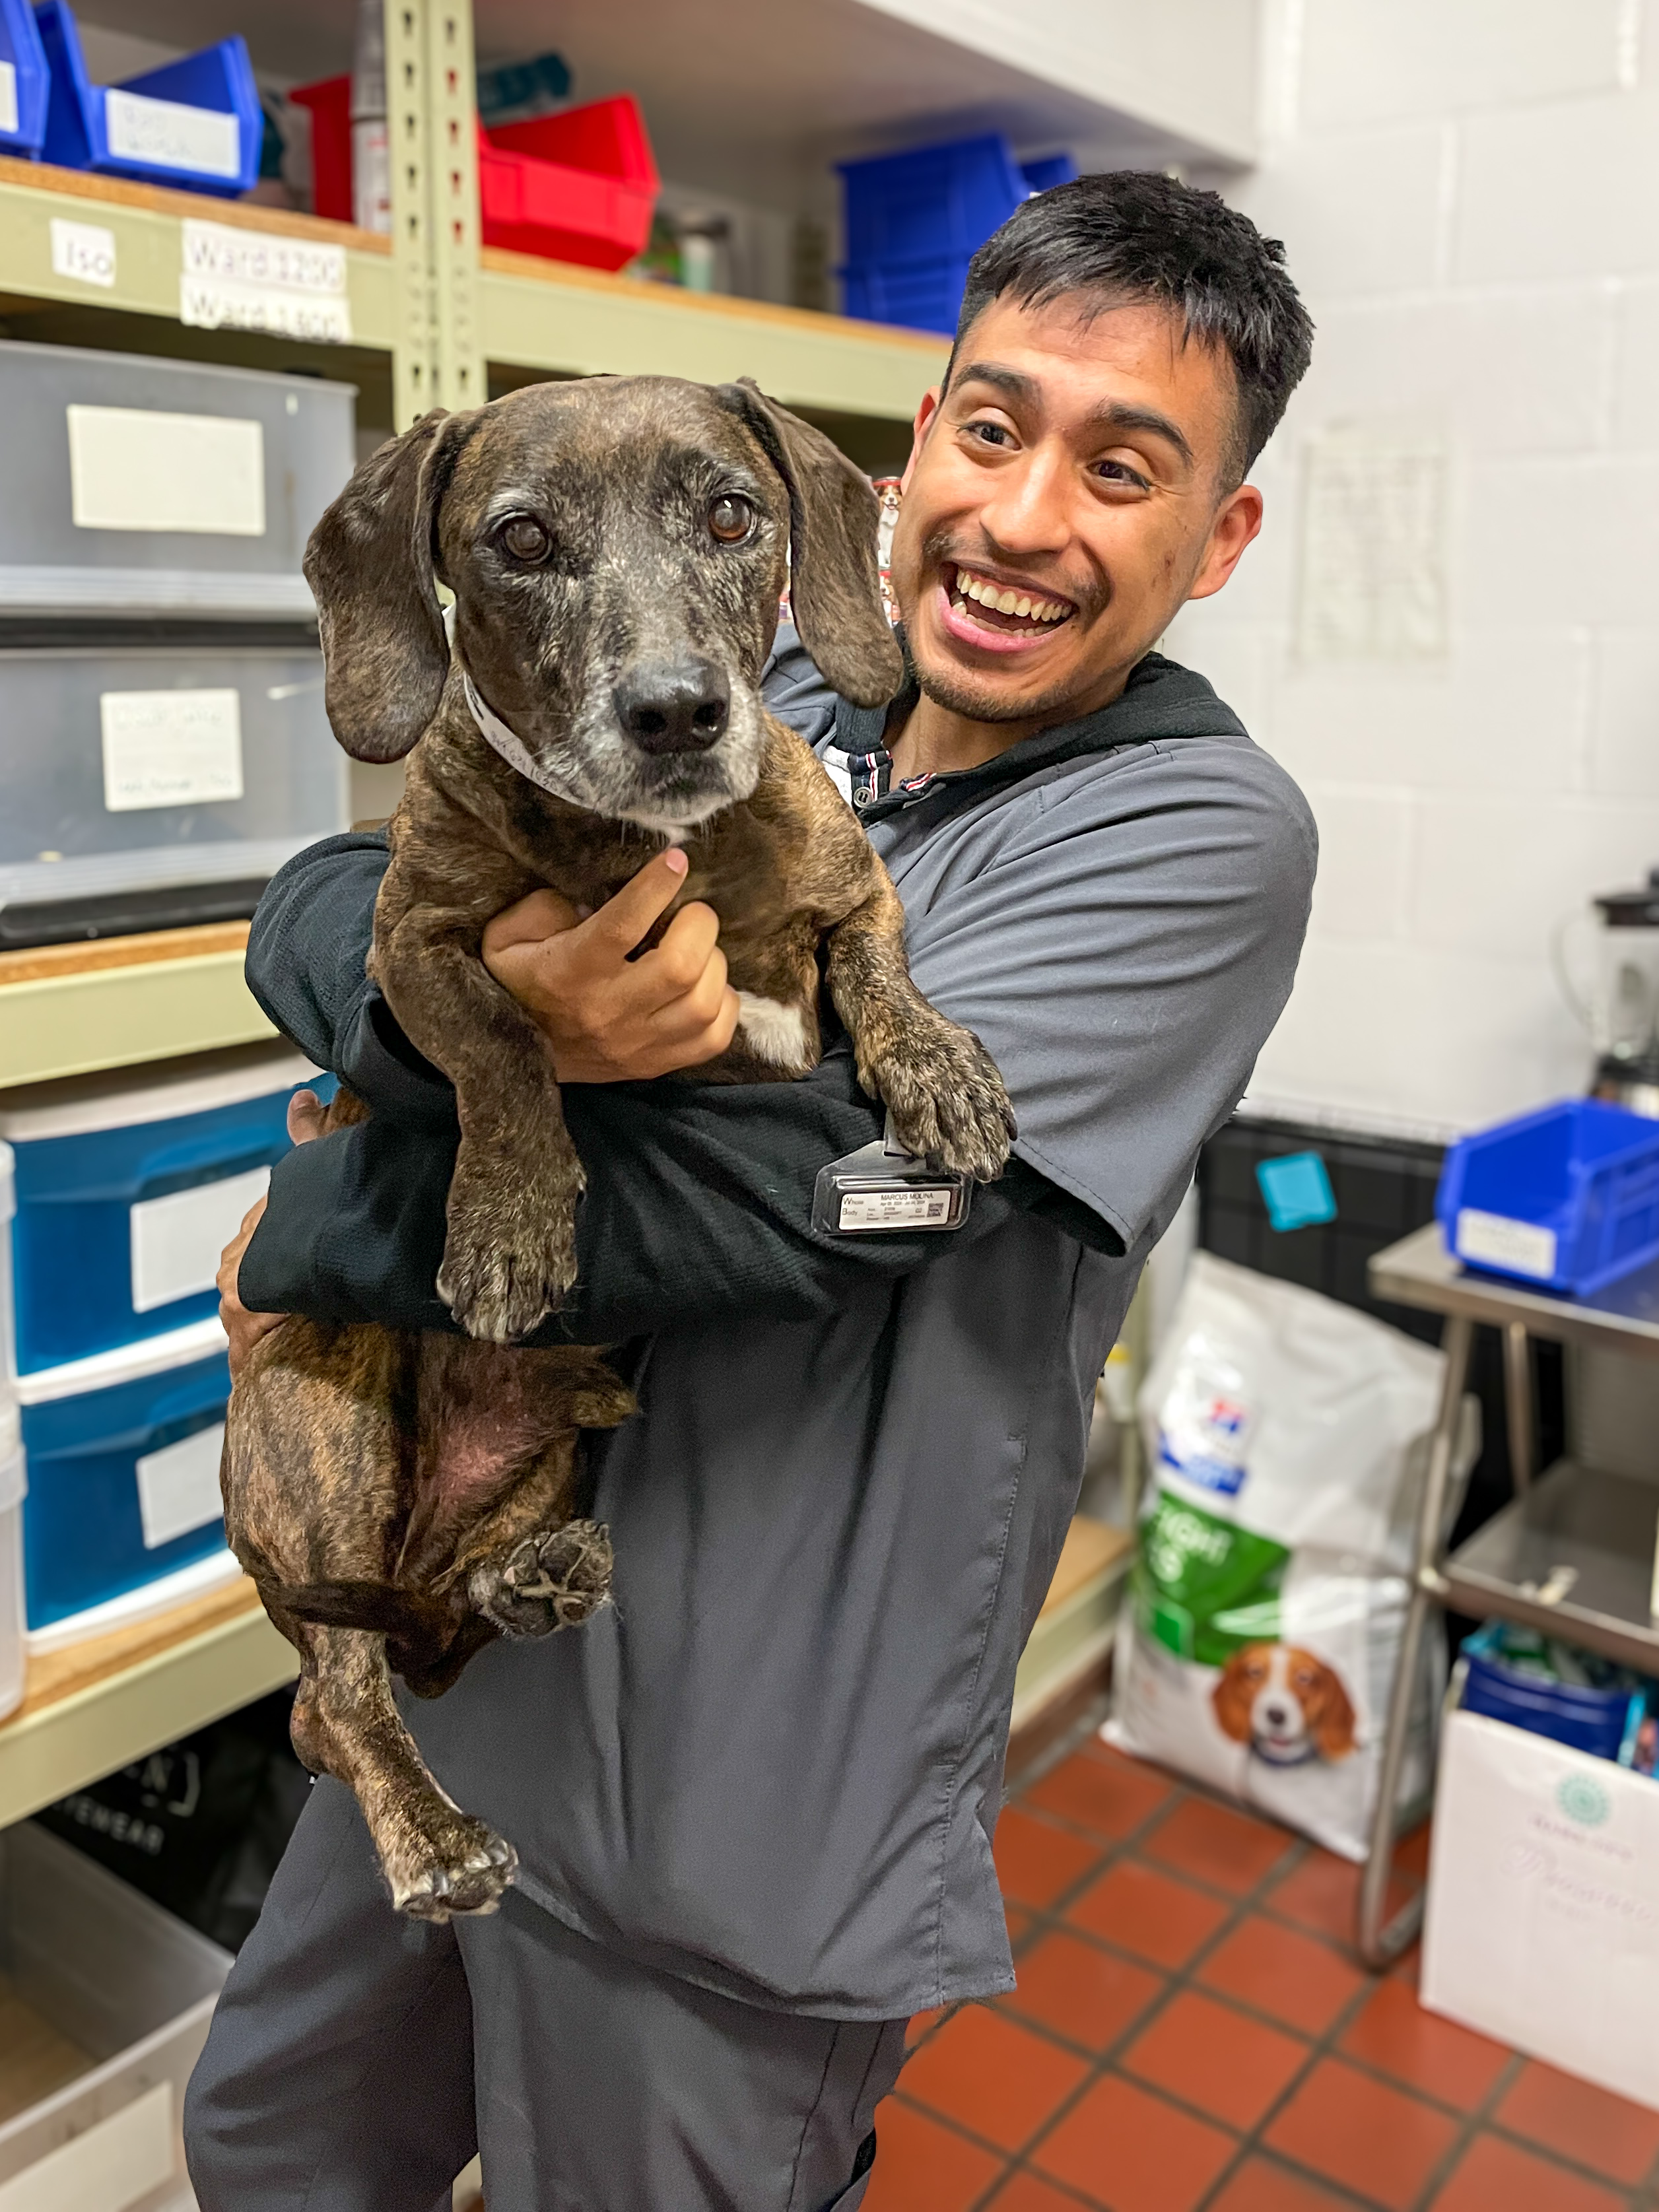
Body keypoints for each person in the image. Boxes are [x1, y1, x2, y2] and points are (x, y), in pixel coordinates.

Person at [185, 171, 1316, 2211]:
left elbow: (800, 1202)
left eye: (1122, 466)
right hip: (476, 1667)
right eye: (991, 430)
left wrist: (323, 1230)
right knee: (270, 2140)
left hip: (739, 1795)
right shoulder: (751, 698)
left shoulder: (1193, 834)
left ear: (1214, 536)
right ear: (897, 469)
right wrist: (466, 1013)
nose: (1024, 516)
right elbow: (324, 895)